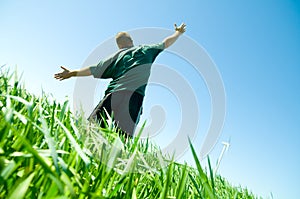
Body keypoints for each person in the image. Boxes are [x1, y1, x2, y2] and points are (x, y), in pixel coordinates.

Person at [54, 23, 186, 137]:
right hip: (135, 97)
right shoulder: (146, 50)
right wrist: (177, 33)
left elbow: (93, 69)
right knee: (123, 137)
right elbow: (166, 43)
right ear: (131, 41)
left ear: (119, 45)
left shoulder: (116, 56)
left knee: (92, 127)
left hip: (114, 94)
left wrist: (72, 73)